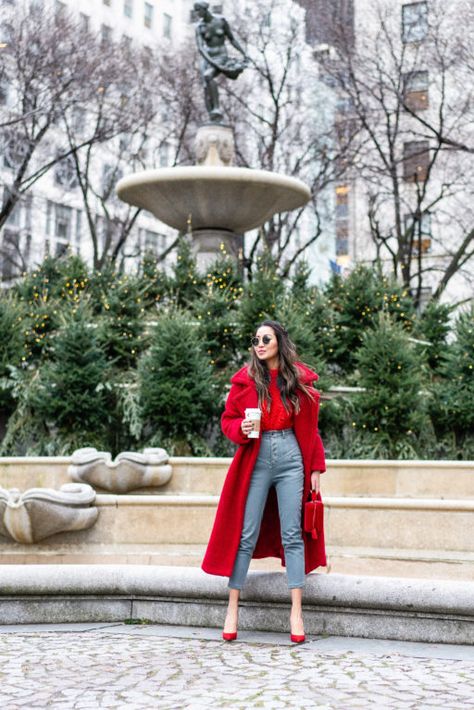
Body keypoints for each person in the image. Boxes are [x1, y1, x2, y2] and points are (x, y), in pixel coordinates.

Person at [202, 320, 326, 643]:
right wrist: (239, 430)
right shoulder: (245, 381)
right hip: (255, 457)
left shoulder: (297, 380)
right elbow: (228, 419)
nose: (259, 344)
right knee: (246, 532)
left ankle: (296, 613)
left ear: (278, 342)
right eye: (255, 339)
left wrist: (315, 465)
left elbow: (311, 428)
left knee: (292, 533)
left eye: (265, 339)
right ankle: (232, 608)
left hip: (290, 456)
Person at [193, 1, 248, 122]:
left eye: (198, 10)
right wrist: (211, 62)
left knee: (208, 76)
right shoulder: (199, 27)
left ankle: (216, 108)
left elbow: (232, 39)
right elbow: (201, 48)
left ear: (204, 9)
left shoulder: (221, 21)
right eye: (195, 11)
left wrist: (244, 53)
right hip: (208, 59)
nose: (196, 13)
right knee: (205, 86)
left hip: (221, 57)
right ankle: (212, 113)